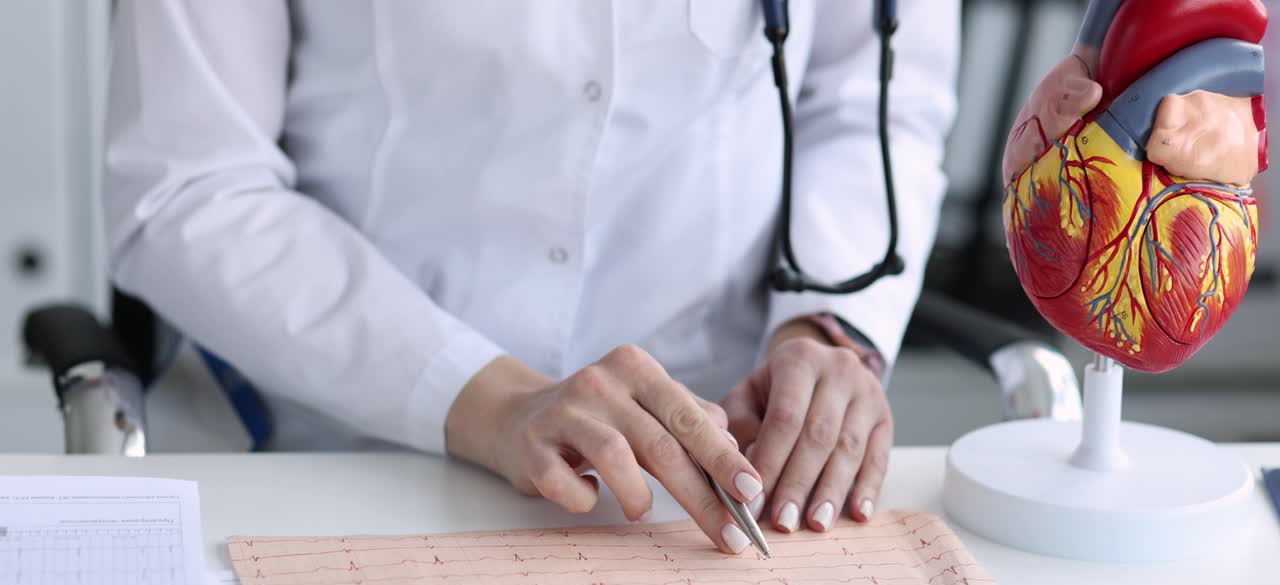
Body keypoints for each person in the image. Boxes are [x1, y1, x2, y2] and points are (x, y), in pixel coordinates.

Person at [104, 1, 960, 553]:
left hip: (716, 475)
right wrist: (491, 400)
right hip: (348, 450)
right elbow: (186, 185)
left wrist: (825, 327)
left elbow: (869, 101)